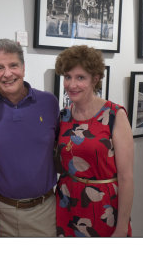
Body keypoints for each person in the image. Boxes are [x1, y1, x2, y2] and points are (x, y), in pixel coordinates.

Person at [0, 39, 60, 237]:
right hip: (0, 212)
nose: (8, 74)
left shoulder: (48, 102)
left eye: (13, 65)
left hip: (43, 211)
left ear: (23, 68)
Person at [54, 45, 133, 237]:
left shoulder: (114, 114)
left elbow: (126, 177)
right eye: (68, 76)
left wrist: (122, 225)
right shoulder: (63, 116)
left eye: (80, 77)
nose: (71, 84)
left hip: (104, 204)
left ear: (95, 79)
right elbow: (59, 163)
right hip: (66, 202)